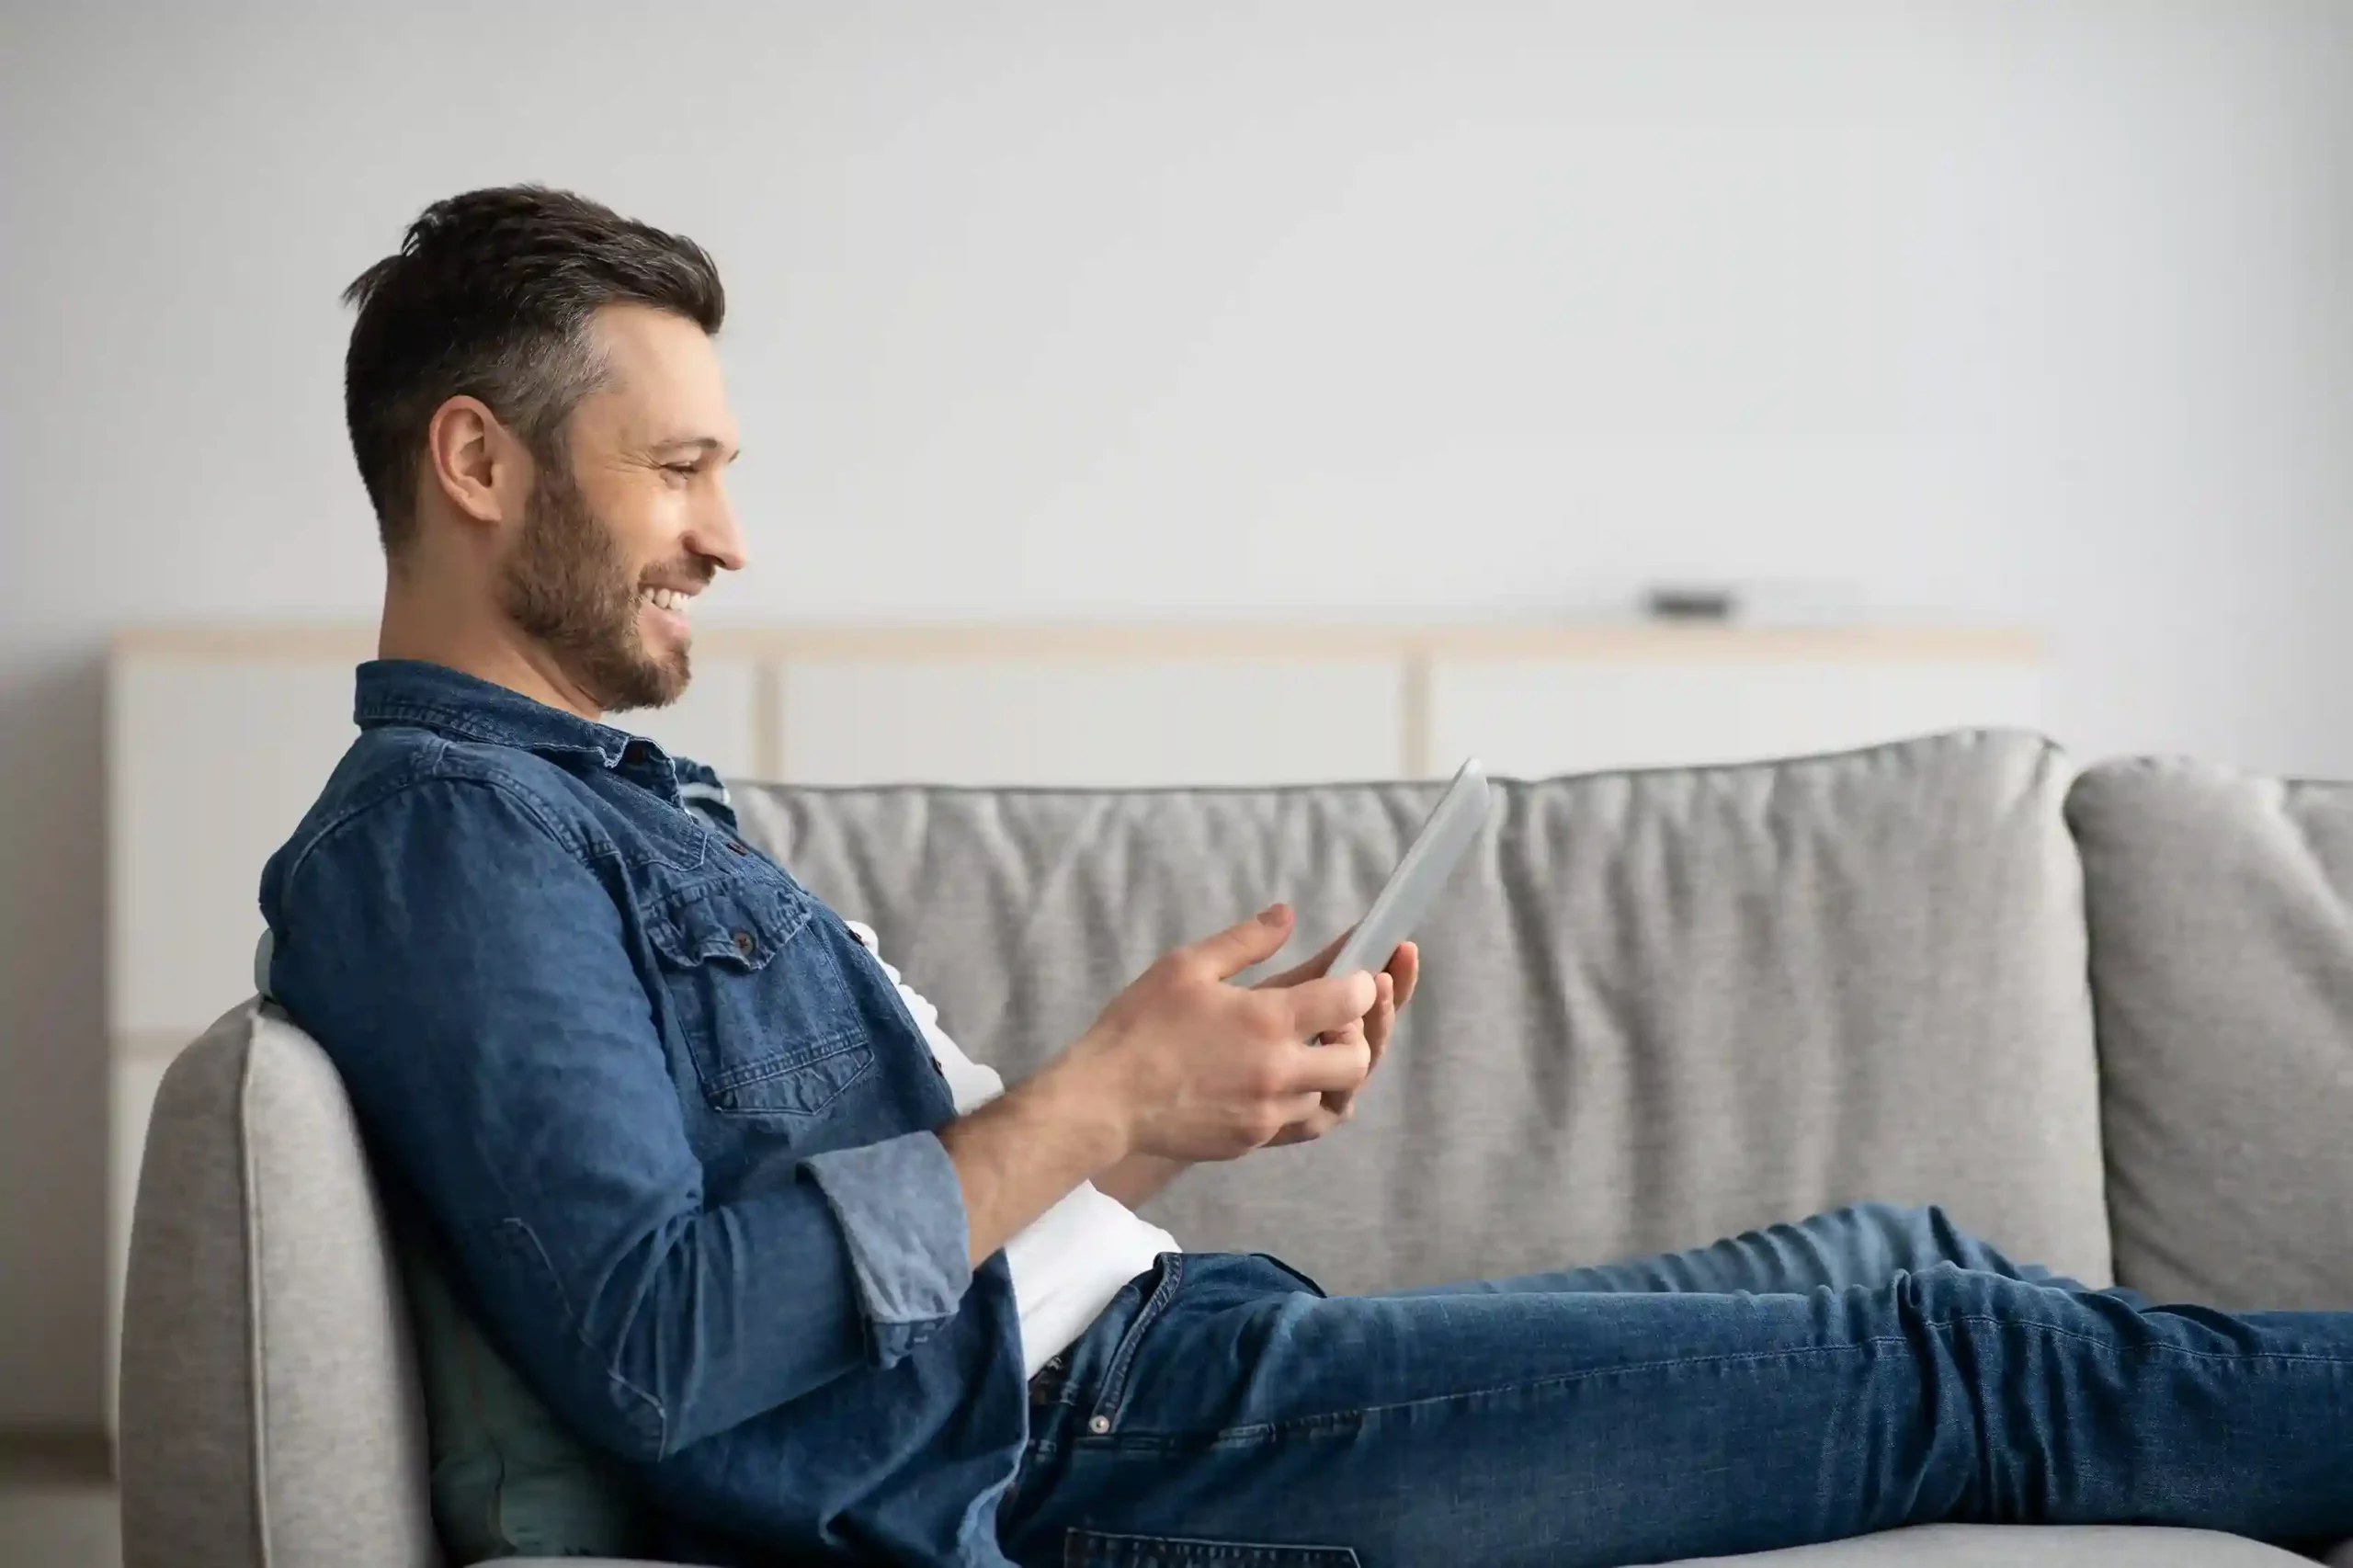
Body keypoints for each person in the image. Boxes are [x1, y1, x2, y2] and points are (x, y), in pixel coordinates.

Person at [262, 186, 2353, 1568]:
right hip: (1089, 1451)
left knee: (1891, 1246)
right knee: (1952, 1363)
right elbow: (659, 1335)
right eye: (683, 466)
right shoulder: (447, 839)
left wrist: (1164, 1127)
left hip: (1143, 1353)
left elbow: (867, 1240)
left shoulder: (602, 804)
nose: (731, 534)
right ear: (477, 461)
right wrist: (1091, 1099)